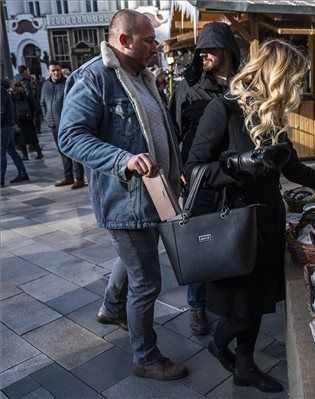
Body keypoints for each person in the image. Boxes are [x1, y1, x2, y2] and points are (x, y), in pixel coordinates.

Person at [185, 39, 315, 393]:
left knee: (256, 304)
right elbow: (194, 169)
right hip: (233, 224)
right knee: (239, 310)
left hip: (267, 220)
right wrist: (237, 164)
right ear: (277, 75)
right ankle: (219, 345)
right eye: (294, 78)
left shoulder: (271, 115)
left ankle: (246, 367)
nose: (297, 87)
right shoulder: (224, 109)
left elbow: (293, 168)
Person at [58, 9, 187, 380]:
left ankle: (112, 307)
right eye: (148, 39)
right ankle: (146, 357)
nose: (155, 45)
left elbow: (160, 129)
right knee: (147, 281)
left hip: (155, 194)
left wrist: (175, 168)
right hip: (125, 200)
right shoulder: (95, 77)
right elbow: (70, 137)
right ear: (124, 40)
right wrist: (124, 159)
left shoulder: (142, 76)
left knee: (134, 259)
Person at [171, 21, 241, 336]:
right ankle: (197, 307)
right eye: (201, 50)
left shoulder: (242, 86)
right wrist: (180, 173)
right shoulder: (188, 87)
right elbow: (173, 134)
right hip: (199, 178)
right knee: (200, 243)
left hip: (234, 177)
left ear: (227, 50)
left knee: (232, 241)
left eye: (211, 48)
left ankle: (228, 305)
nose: (204, 55)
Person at [40, 60, 85, 189]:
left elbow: (76, 102)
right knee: (62, 151)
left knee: (73, 151)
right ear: (49, 72)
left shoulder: (68, 84)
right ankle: (68, 177)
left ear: (61, 70)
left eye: (58, 70)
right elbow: (42, 102)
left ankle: (79, 178)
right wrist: (47, 117)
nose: (56, 73)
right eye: (53, 70)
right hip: (54, 125)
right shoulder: (45, 85)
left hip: (68, 124)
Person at [1, 79, 29, 187]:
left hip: (3, 127)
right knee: (11, 150)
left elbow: (1, 111)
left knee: (1, 153)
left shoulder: (1, 92)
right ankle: (23, 173)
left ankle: (1, 179)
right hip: (7, 126)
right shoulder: (3, 91)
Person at [12, 80, 43, 160]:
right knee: (31, 138)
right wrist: (34, 117)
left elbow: (13, 108)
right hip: (27, 119)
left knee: (23, 139)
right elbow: (34, 106)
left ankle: (26, 155)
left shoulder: (14, 95)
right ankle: (38, 153)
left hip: (21, 120)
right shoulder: (26, 94)